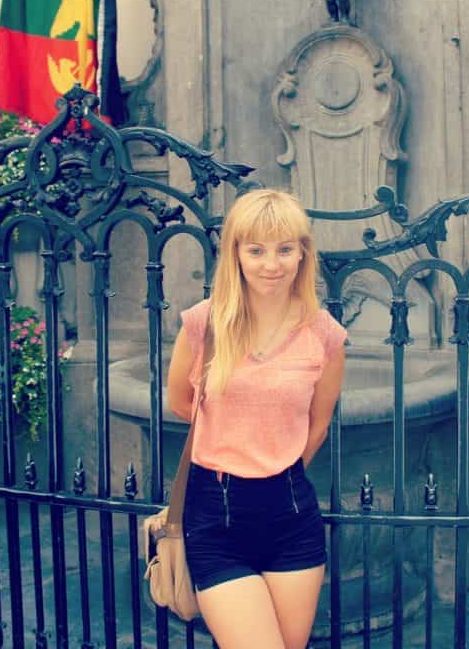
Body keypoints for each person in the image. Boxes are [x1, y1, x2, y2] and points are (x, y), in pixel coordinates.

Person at [168, 188, 347, 649]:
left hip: (289, 512)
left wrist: (273, 458)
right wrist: (236, 435)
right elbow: (181, 402)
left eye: (285, 249)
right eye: (257, 250)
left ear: (303, 254)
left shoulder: (324, 334)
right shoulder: (203, 323)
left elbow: (318, 424)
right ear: (236, 254)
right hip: (214, 513)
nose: (272, 264)